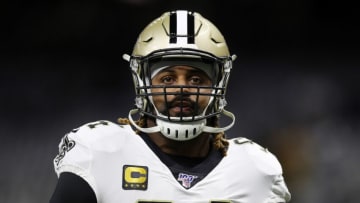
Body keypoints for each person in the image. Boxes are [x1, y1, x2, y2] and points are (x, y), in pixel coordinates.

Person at [49, 10, 291, 203]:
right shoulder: (100, 151)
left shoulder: (255, 170)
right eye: (167, 78)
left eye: (196, 79)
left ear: (219, 84)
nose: (182, 88)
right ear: (142, 82)